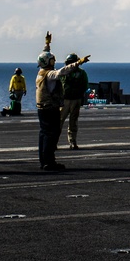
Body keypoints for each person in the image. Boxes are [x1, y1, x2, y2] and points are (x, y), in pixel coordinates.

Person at [36, 32, 90, 171]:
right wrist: (78, 63)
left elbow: (44, 55)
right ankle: (49, 162)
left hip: (42, 108)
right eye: (52, 60)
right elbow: (62, 72)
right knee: (51, 134)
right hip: (50, 108)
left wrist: (47, 44)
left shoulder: (41, 71)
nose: (53, 62)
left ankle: (44, 161)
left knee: (43, 134)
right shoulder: (50, 74)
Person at [59, 53, 90, 149]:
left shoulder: (81, 73)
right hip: (66, 100)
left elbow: (85, 86)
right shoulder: (64, 72)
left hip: (75, 99)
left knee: (73, 122)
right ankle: (54, 141)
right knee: (59, 122)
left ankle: (72, 141)